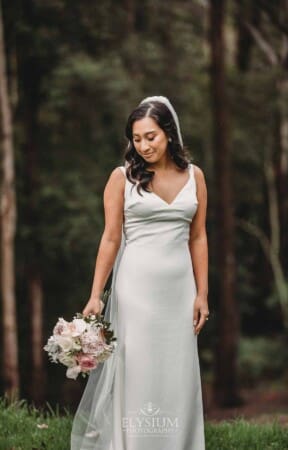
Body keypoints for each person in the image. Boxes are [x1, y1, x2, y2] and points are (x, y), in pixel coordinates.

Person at [70, 95, 209, 450]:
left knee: (177, 372)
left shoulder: (195, 177)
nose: (144, 145)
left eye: (151, 137)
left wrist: (201, 294)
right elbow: (110, 238)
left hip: (179, 289)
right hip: (136, 289)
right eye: (137, 138)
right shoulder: (121, 178)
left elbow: (198, 237)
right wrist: (95, 295)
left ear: (169, 134)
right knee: (139, 371)